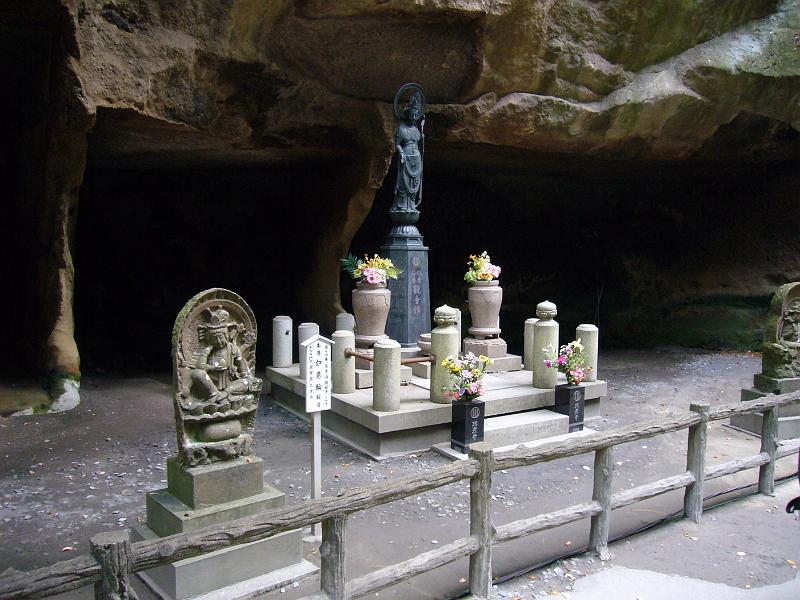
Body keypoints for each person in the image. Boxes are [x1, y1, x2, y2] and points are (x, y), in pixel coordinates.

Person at [392, 91, 424, 213]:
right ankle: (401, 206)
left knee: (414, 183)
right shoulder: (402, 129)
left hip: (416, 158)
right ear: (407, 115)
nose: (413, 118)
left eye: (416, 115)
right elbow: (397, 144)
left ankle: (411, 205)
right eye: (411, 115)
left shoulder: (416, 130)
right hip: (405, 157)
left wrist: (422, 136)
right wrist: (401, 152)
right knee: (404, 185)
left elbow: (418, 143)